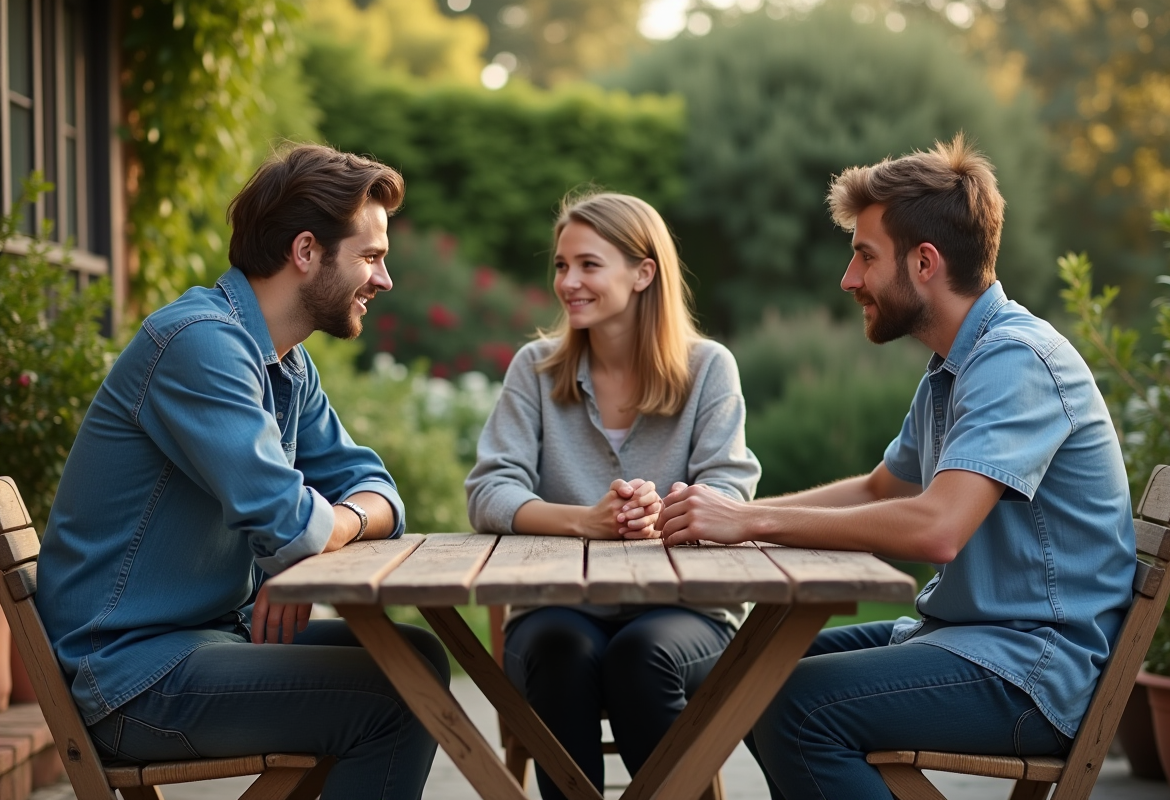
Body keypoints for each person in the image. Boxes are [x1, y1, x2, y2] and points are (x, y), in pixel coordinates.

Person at [657, 135, 1137, 799]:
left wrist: (747, 522)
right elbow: (880, 488)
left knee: (795, 707)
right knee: (729, 676)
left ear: (925, 262)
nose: (849, 280)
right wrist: (730, 519)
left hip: (1030, 670)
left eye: (863, 255)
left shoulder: (1016, 361)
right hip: (965, 638)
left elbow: (937, 528)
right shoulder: (955, 366)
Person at [37, 144, 449, 800]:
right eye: (371, 257)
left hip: (204, 639)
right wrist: (309, 539)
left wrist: (323, 529)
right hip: (129, 674)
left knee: (417, 659)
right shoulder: (199, 344)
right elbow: (292, 526)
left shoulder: (284, 362)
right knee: (396, 698)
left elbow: (377, 489)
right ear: (306, 252)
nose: (384, 279)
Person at [465, 192, 761, 799]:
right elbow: (489, 492)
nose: (567, 282)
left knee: (640, 657)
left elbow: (728, 489)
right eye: (560, 265)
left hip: (689, 612)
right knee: (560, 652)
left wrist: (665, 511)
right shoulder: (536, 370)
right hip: (557, 609)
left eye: (588, 265)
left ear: (643, 272)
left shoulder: (709, 369)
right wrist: (586, 521)